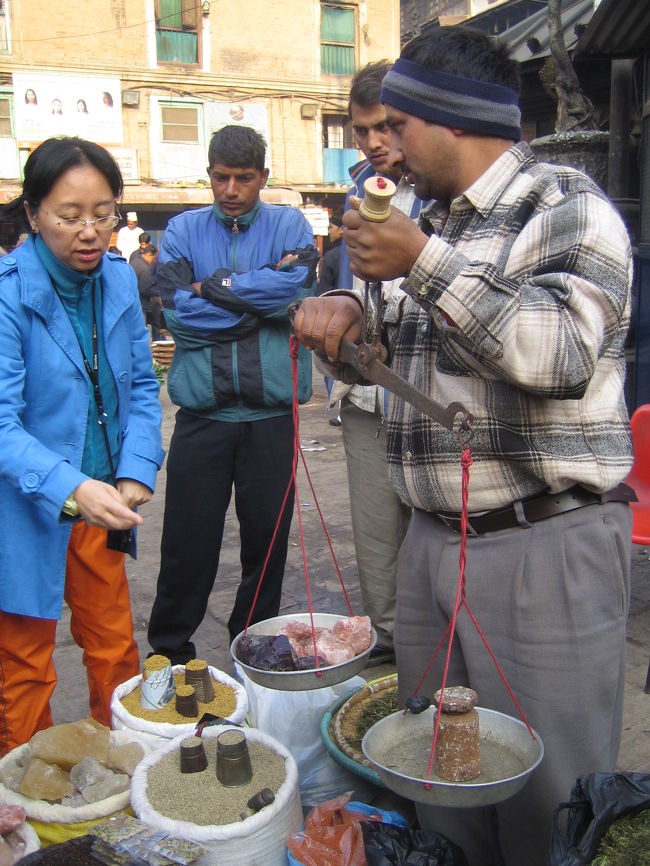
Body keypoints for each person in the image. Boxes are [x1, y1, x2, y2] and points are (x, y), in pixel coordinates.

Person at [292, 27, 634, 866]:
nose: (386, 150)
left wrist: (426, 263)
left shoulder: (567, 207)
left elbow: (559, 353)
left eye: (397, 127)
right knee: (438, 781)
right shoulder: (431, 223)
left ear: (450, 120)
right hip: (435, 543)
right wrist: (350, 322)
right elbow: (430, 363)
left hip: (540, 549)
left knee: (546, 799)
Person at [0, 136, 165, 755]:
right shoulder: (8, 293)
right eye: (69, 216)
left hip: (102, 506)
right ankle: (23, 806)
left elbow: (144, 388)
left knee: (116, 650)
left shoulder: (119, 283)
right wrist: (74, 487)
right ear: (35, 213)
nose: (90, 231)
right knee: (24, 668)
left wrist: (135, 469)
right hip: (27, 507)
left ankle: (121, 773)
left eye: (103, 213)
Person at [148, 125, 318, 662]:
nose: (231, 189)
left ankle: (253, 653)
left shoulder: (291, 224)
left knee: (266, 546)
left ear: (262, 178)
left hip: (271, 416)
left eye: (244, 178)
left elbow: (297, 296)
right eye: (221, 177)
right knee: (186, 543)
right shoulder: (181, 229)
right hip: (203, 416)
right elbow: (176, 313)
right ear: (209, 176)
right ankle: (170, 655)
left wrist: (214, 289)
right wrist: (260, 303)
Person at [332, 60, 422, 664]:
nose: (374, 142)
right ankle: (390, 652)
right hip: (368, 396)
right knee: (376, 538)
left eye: (387, 126)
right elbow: (350, 288)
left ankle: (434, 654)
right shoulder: (357, 193)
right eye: (362, 130)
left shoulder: (445, 193)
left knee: (434, 540)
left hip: (433, 400)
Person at [130, 242, 163, 342]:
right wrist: (159, 294)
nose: (153, 261)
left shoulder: (134, 262)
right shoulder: (145, 269)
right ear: (149, 255)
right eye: (153, 258)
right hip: (140, 303)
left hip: (131, 300)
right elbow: (144, 289)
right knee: (140, 331)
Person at [317, 208, 344, 295]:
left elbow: (324, 293)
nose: (329, 231)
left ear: (341, 230)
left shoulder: (331, 256)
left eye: (331, 227)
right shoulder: (360, 253)